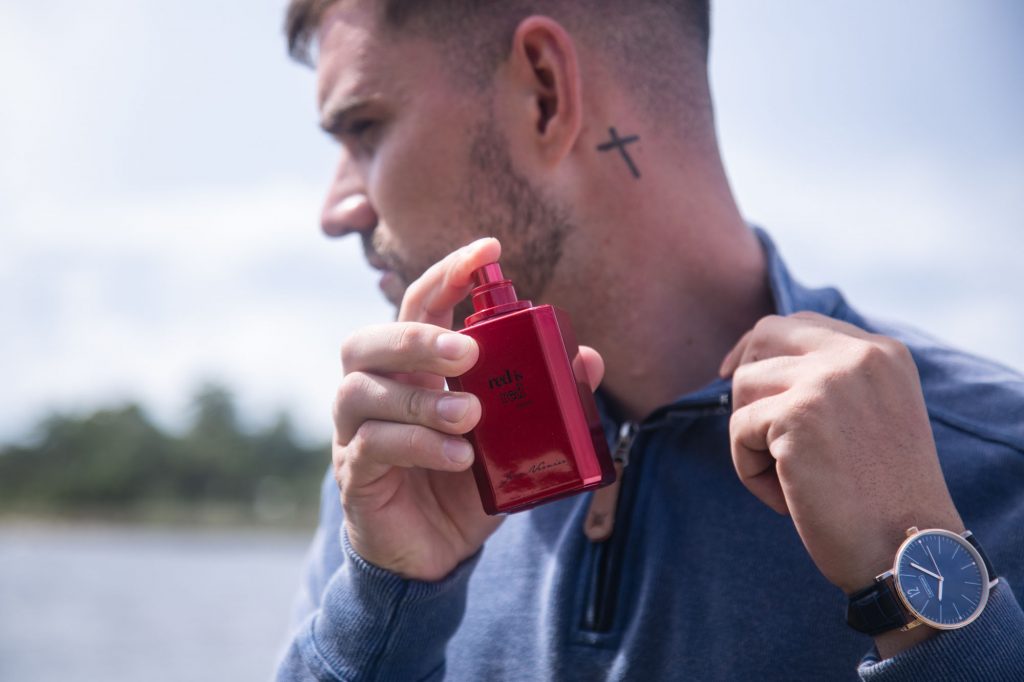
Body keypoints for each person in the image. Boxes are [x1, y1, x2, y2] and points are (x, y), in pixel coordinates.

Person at [275, 1, 1024, 679]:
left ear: (544, 94)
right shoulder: (406, 468)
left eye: (364, 128)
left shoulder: (1002, 467)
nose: (334, 210)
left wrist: (921, 588)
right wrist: (388, 604)